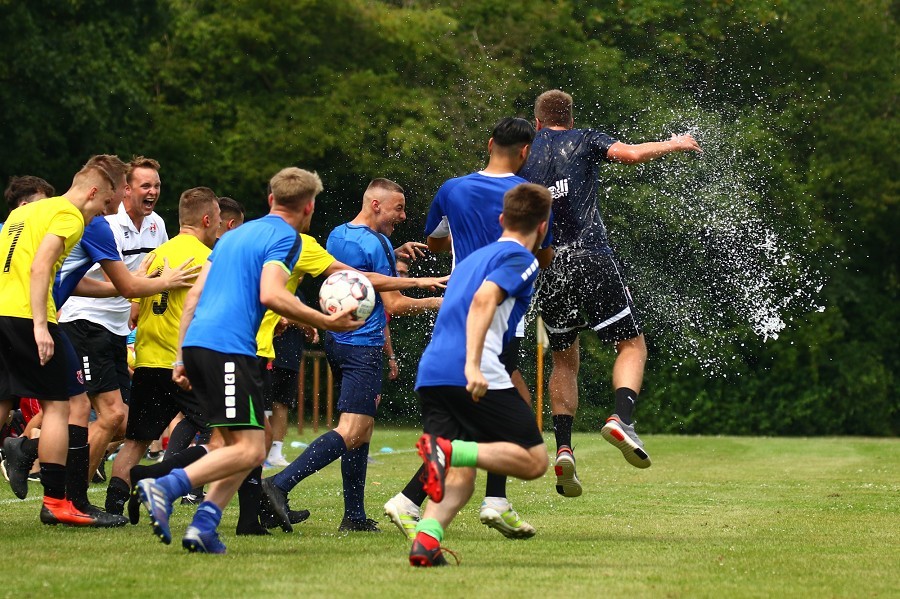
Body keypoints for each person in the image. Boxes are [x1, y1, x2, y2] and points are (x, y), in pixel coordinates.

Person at [134, 167, 365, 554]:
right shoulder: (288, 238)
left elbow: (193, 297)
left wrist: (181, 356)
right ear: (309, 207)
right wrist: (326, 321)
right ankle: (164, 487)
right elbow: (272, 293)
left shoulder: (234, 235)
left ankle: (205, 524)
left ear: (271, 199)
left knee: (246, 445)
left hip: (202, 344)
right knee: (249, 450)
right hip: (230, 348)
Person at [518, 89, 702, 495]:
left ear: (537, 122)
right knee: (632, 345)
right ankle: (621, 418)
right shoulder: (585, 139)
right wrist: (673, 143)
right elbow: (632, 154)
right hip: (591, 255)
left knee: (564, 361)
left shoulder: (523, 154)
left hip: (548, 266)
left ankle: (564, 448)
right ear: (570, 116)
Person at [385, 117, 552, 540]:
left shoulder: (452, 189)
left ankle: (413, 508)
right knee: (509, 409)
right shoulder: (527, 196)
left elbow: (437, 242)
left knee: (465, 424)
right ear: (525, 152)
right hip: (495, 314)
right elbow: (541, 252)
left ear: (489, 142)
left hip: (454, 302)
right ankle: (495, 501)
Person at [262, 178, 444, 534]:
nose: (403, 216)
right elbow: (393, 304)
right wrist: (436, 300)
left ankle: (355, 516)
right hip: (363, 345)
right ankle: (279, 484)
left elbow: (359, 284)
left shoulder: (336, 235)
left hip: (337, 340)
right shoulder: (379, 243)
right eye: (398, 207)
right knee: (353, 428)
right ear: (376, 205)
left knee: (362, 430)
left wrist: (394, 255)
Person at [408, 182, 553, 567]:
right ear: (543, 227)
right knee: (534, 459)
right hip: (473, 371)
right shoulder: (523, 259)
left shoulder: (472, 258)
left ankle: (426, 542)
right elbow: (484, 299)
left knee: (462, 476)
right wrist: (473, 364)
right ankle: (449, 450)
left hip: (433, 371)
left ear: (502, 219)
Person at [0, 162, 114, 525]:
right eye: (104, 205)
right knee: (60, 406)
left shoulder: (25, 212)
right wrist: (39, 326)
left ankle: (35, 468)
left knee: (3, 403)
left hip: (2, 314)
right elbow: (40, 267)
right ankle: (55, 502)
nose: (101, 214)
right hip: (29, 316)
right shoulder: (68, 213)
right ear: (93, 192)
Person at [103, 187, 220, 517]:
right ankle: (163, 480)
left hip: (147, 361)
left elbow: (135, 314)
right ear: (207, 219)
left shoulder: (154, 255)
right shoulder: (205, 259)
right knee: (228, 434)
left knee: (136, 441)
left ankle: (114, 507)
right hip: (183, 365)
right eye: (218, 222)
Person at [58, 156, 171, 488]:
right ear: (125, 189)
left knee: (124, 422)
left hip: (117, 331)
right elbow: (133, 282)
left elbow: (150, 274)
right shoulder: (104, 223)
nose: (152, 192)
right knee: (111, 416)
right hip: (85, 323)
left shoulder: (157, 225)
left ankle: (30, 450)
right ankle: (71, 495)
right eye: (145, 185)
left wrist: (137, 299)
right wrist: (133, 292)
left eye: (157, 186)